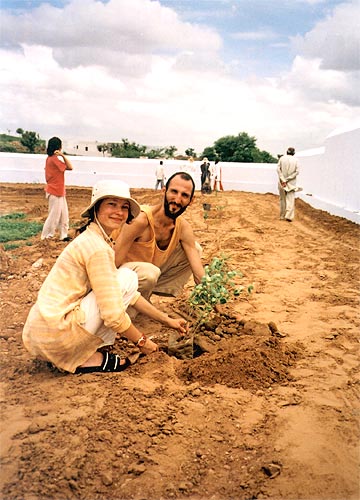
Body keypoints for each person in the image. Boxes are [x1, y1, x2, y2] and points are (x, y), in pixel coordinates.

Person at [23, 180, 188, 374]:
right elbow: (113, 315)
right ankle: (81, 357)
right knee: (127, 277)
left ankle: (82, 349)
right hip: (56, 335)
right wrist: (144, 342)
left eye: (124, 207)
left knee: (125, 280)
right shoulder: (98, 249)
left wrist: (167, 320)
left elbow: (130, 295)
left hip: (42, 334)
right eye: (111, 204)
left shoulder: (95, 239)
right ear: (96, 208)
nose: (118, 212)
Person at [113, 172, 205, 302]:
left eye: (184, 195)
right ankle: (134, 302)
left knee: (195, 248)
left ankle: (147, 293)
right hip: (121, 279)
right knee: (150, 273)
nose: (177, 200)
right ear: (164, 191)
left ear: (191, 200)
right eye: (174, 192)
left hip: (148, 275)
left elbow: (198, 273)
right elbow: (112, 264)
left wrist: (217, 306)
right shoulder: (141, 220)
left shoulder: (182, 228)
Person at [41, 136, 73, 242]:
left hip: (58, 191)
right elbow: (70, 167)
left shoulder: (49, 159)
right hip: (55, 191)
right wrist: (62, 155)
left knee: (64, 215)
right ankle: (46, 236)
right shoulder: (54, 160)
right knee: (54, 216)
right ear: (59, 147)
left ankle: (63, 235)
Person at [277, 147, 300, 222]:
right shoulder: (296, 160)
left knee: (282, 199)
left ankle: (282, 216)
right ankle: (289, 216)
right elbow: (297, 172)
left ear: (287, 152)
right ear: (293, 153)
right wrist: (288, 179)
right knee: (290, 199)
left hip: (281, 182)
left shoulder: (282, 158)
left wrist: (283, 179)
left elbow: (278, 169)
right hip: (291, 183)